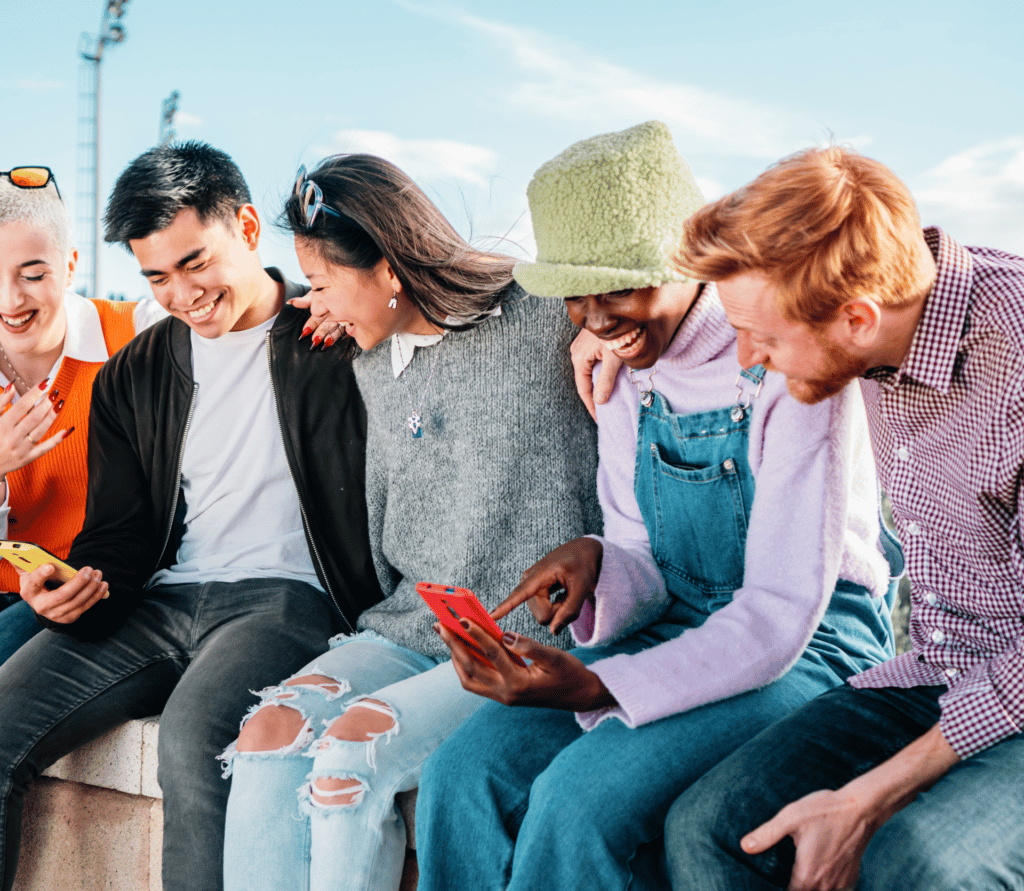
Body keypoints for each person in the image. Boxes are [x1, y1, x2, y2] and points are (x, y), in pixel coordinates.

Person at [414, 121, 898, 891]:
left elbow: (777, 612)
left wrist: (601, 686)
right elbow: (645, 552)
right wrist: (602, 562)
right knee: (461, 774)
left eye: (624, 285)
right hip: (687, 627)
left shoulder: (787, 364)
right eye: (578, 295)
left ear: (691, 265)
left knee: (578, 804)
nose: (600, 317)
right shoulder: (626, 372)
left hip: (810, 643)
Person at [0, 141, 383, 891]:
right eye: (156, 277)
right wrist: (75, 586)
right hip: (160, 599)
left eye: (194, 262)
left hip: (286, 598)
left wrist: (359, 319)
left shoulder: (331, 335)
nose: (181, 293)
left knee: (193, 736)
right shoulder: (134, 375)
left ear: (245, 227)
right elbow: (119, 535)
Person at [219, 152, 601, 891]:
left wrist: (592, 329)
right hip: (413, 622)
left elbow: (653, 294)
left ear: (391, 269)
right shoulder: (370, 361)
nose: (317, 304)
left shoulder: (542, 316)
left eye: (325, 283)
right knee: (268, 731)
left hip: (521, 631)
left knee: (351, 755)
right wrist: (342, 305)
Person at [663, 146, 1024, 891]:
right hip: (940, 666)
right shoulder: (871, 305)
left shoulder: (1013, 358)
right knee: (712, 828)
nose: (748, 359)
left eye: (761, 336)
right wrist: (593, 336)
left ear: (858, 319)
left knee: (918, 864)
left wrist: (868, 797)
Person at [0, 167, 164, 663]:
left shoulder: (133, 335)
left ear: (70, 266)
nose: (11, 300)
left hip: (89, 593)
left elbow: (234, 310)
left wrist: (305, 304)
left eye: (33, 275)